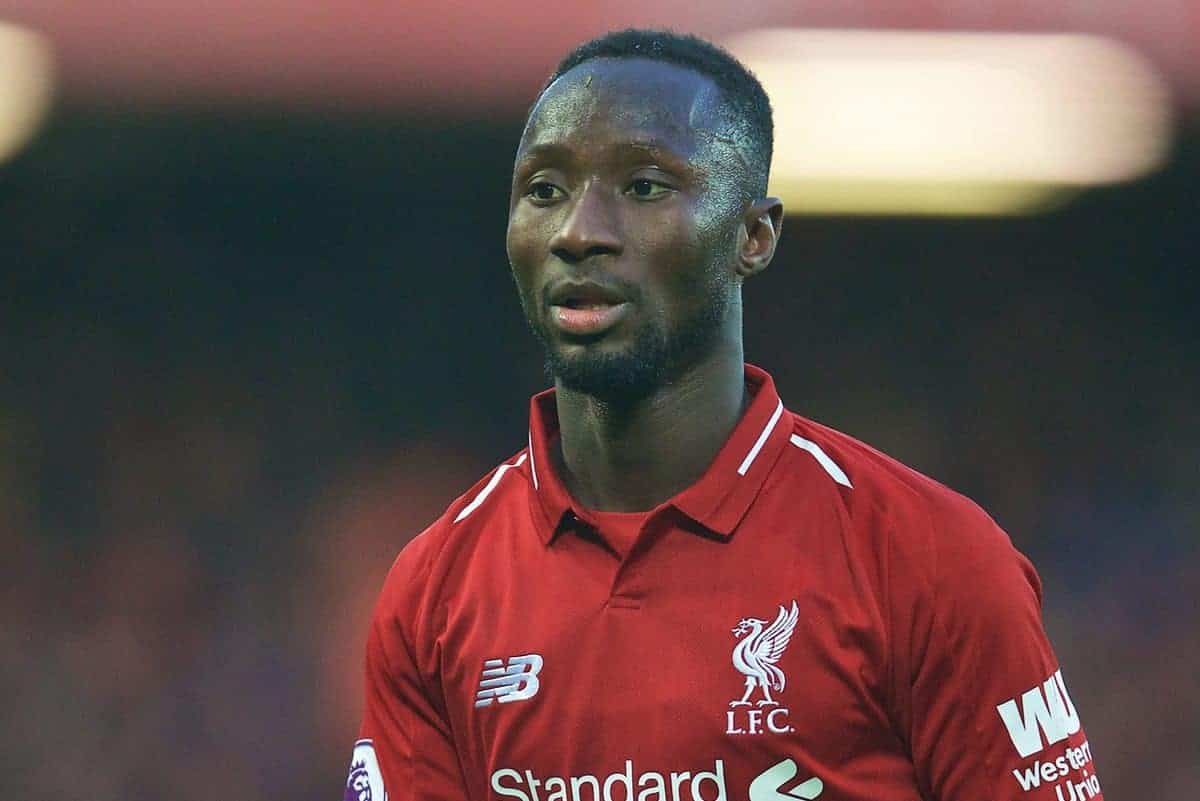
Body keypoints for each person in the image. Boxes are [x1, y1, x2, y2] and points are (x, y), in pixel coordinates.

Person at [344, 29, 1102, 801]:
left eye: (643, 187)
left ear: (754, 235)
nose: (579, 231)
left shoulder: (930, 559)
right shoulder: (434, 591)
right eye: (545, 189)